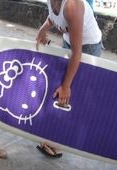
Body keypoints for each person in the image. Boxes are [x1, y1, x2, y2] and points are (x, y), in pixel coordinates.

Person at [35, 0, 102, 157]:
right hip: (68, 40)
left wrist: (66, 85)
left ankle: (60, 142)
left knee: (72, 92)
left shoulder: (72, 6)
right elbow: (53, 18)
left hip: (87, 47)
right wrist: (43, 29)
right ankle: (53, 133)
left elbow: (77, 52)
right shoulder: (52, 1)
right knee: (61, 85)